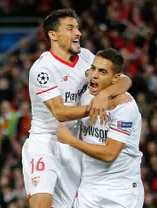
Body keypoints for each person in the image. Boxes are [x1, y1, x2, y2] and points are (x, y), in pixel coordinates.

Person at [22, 9, 132, 208]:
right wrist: (94, 106)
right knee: (42, 204)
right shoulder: (42, 69)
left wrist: (105, 96)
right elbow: (60, 112)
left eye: (78, 28)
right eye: (70, 28)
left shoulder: (86, 57)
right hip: (45, 141)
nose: (78, 33)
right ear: (53, 35)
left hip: (73, 142)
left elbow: (124, 80)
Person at [56, 48, 144, 208]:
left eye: (102, 72)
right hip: (88, 188)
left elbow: (110, 154)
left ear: (114, 79)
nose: (94, 75)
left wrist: (71, 140)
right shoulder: (87, 89)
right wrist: (103, 94)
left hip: (120, 191)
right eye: (93, 68)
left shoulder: (125, 106)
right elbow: (124, 80)